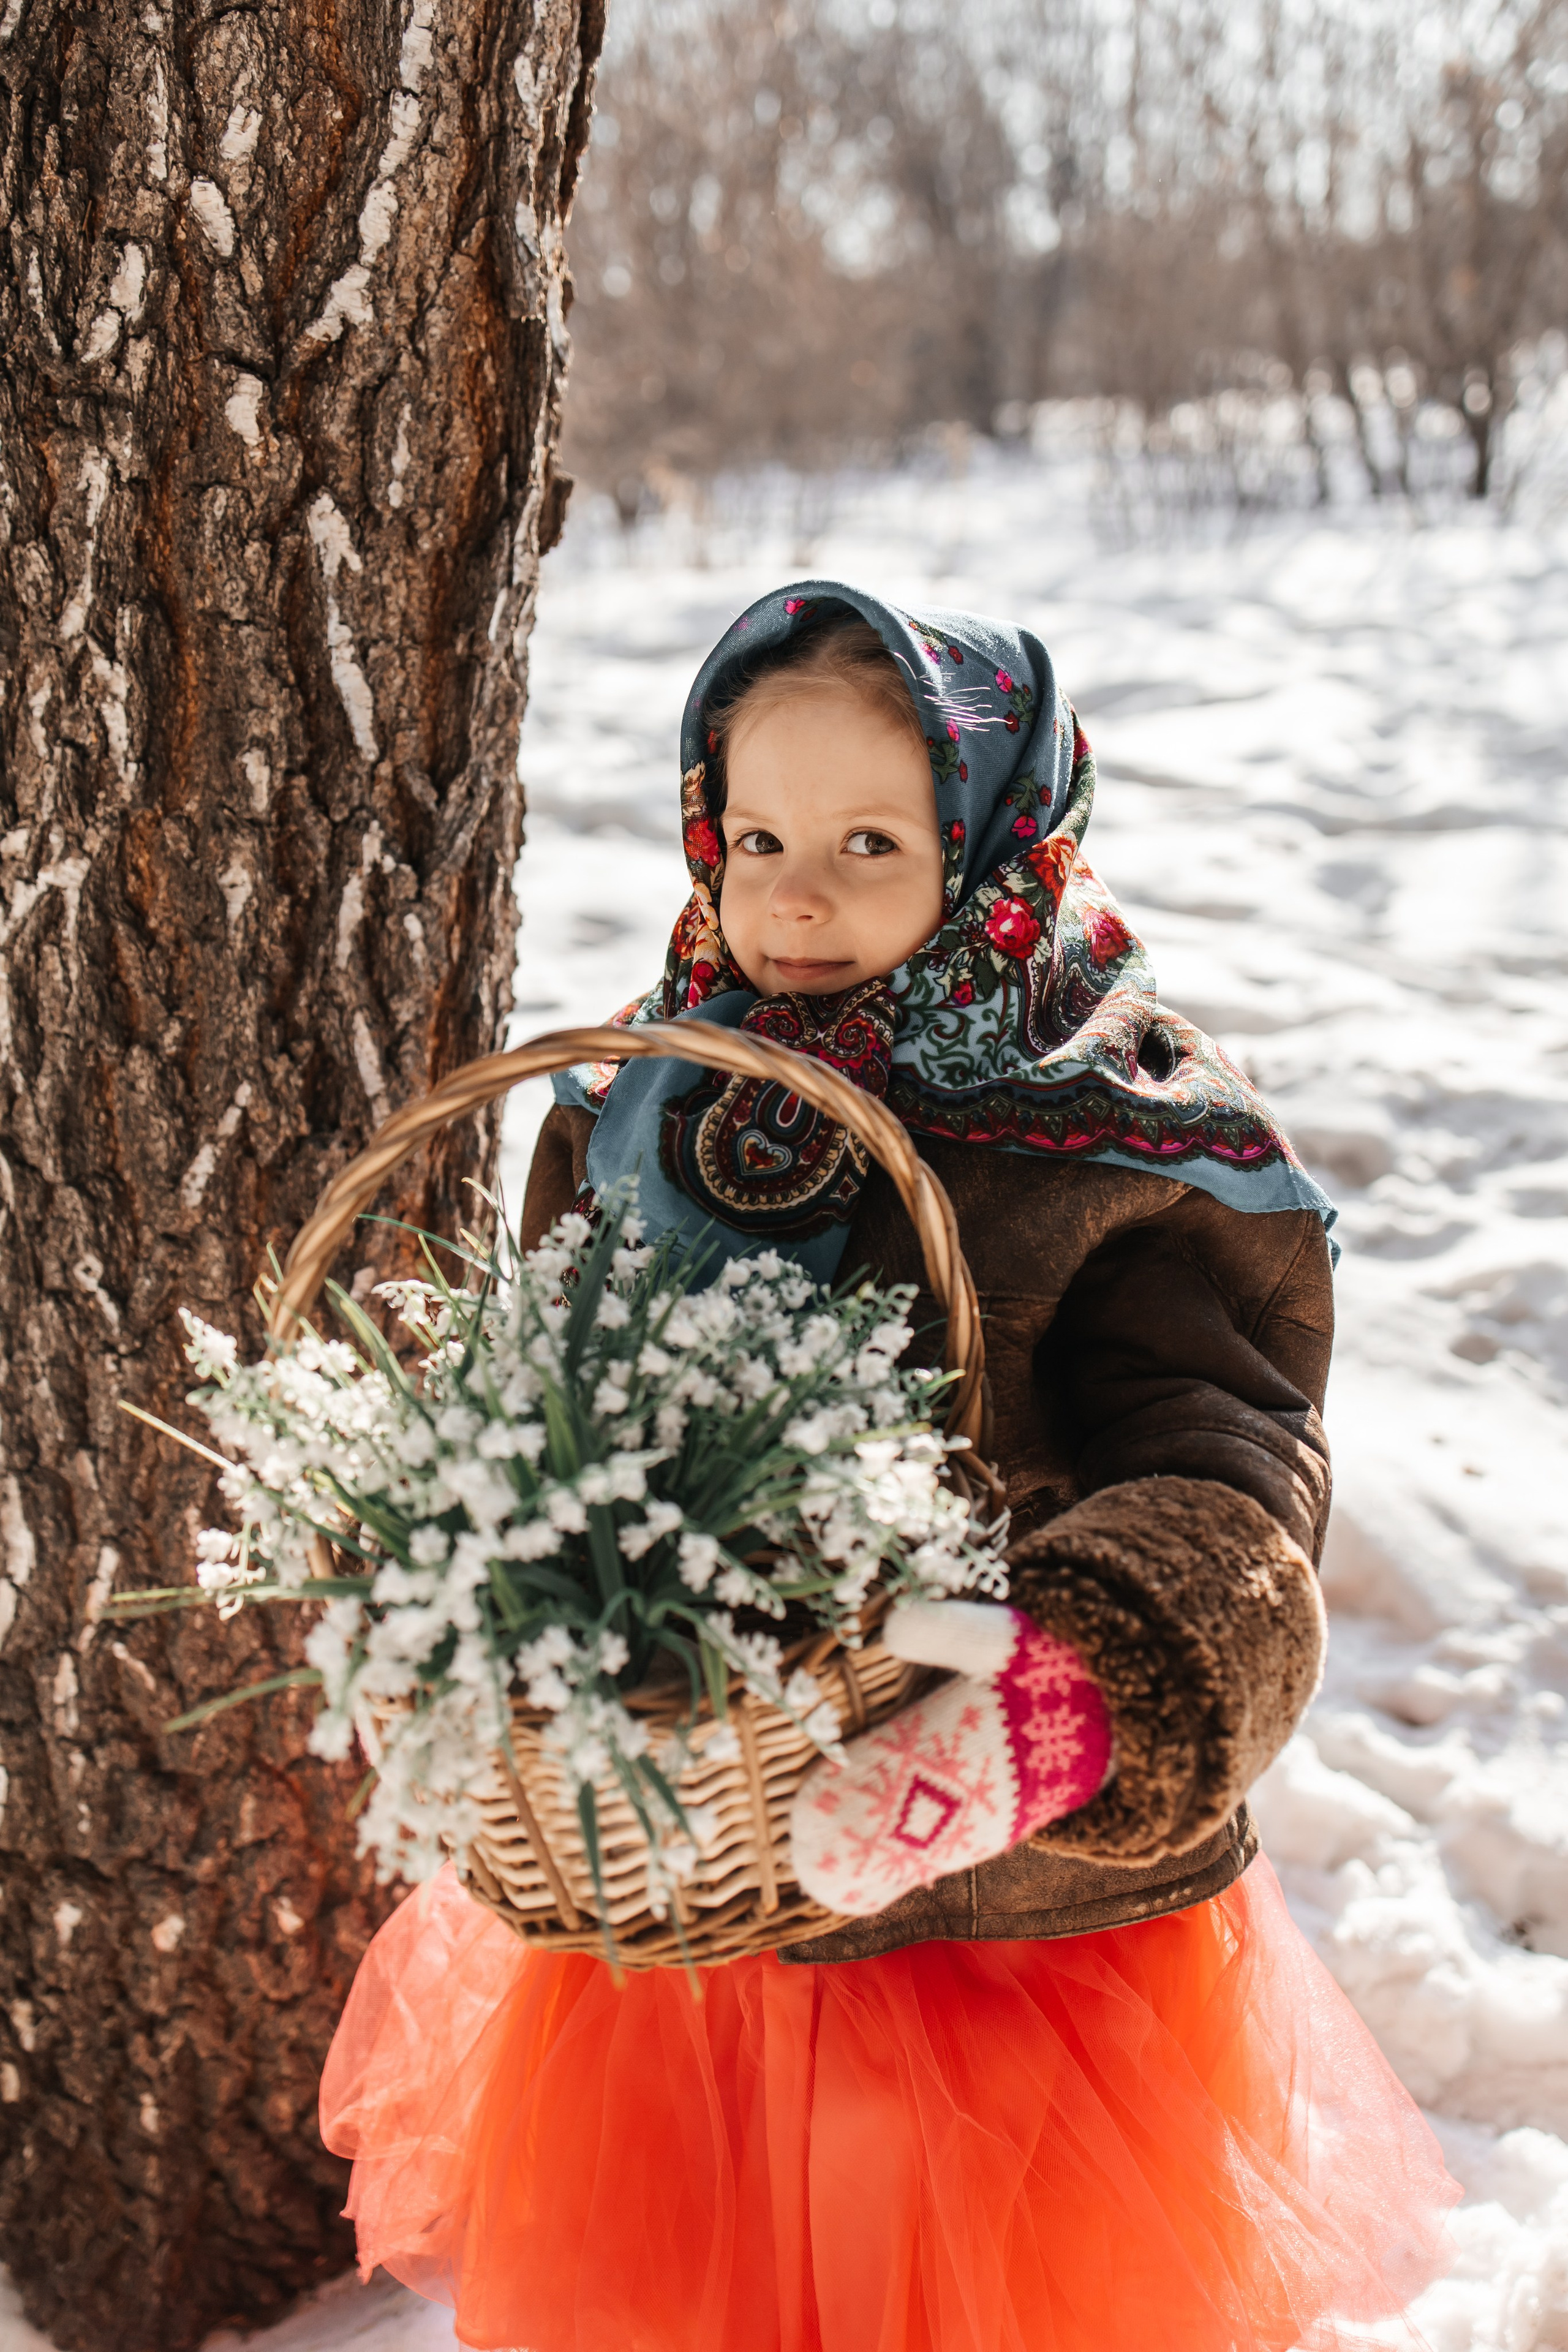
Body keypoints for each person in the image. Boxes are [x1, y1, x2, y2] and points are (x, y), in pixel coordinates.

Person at [320, 585, 1459, 2352]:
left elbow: (1229, 1467)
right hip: (711, 1891)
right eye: (757, 834)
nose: (794, 893)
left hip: (1010, 1921)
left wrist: (1076, 1692)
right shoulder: (644, 1097)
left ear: (998, 836)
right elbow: (543, 1382)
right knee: (703, 2293)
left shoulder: (1127, 1134)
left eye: (870, 839)